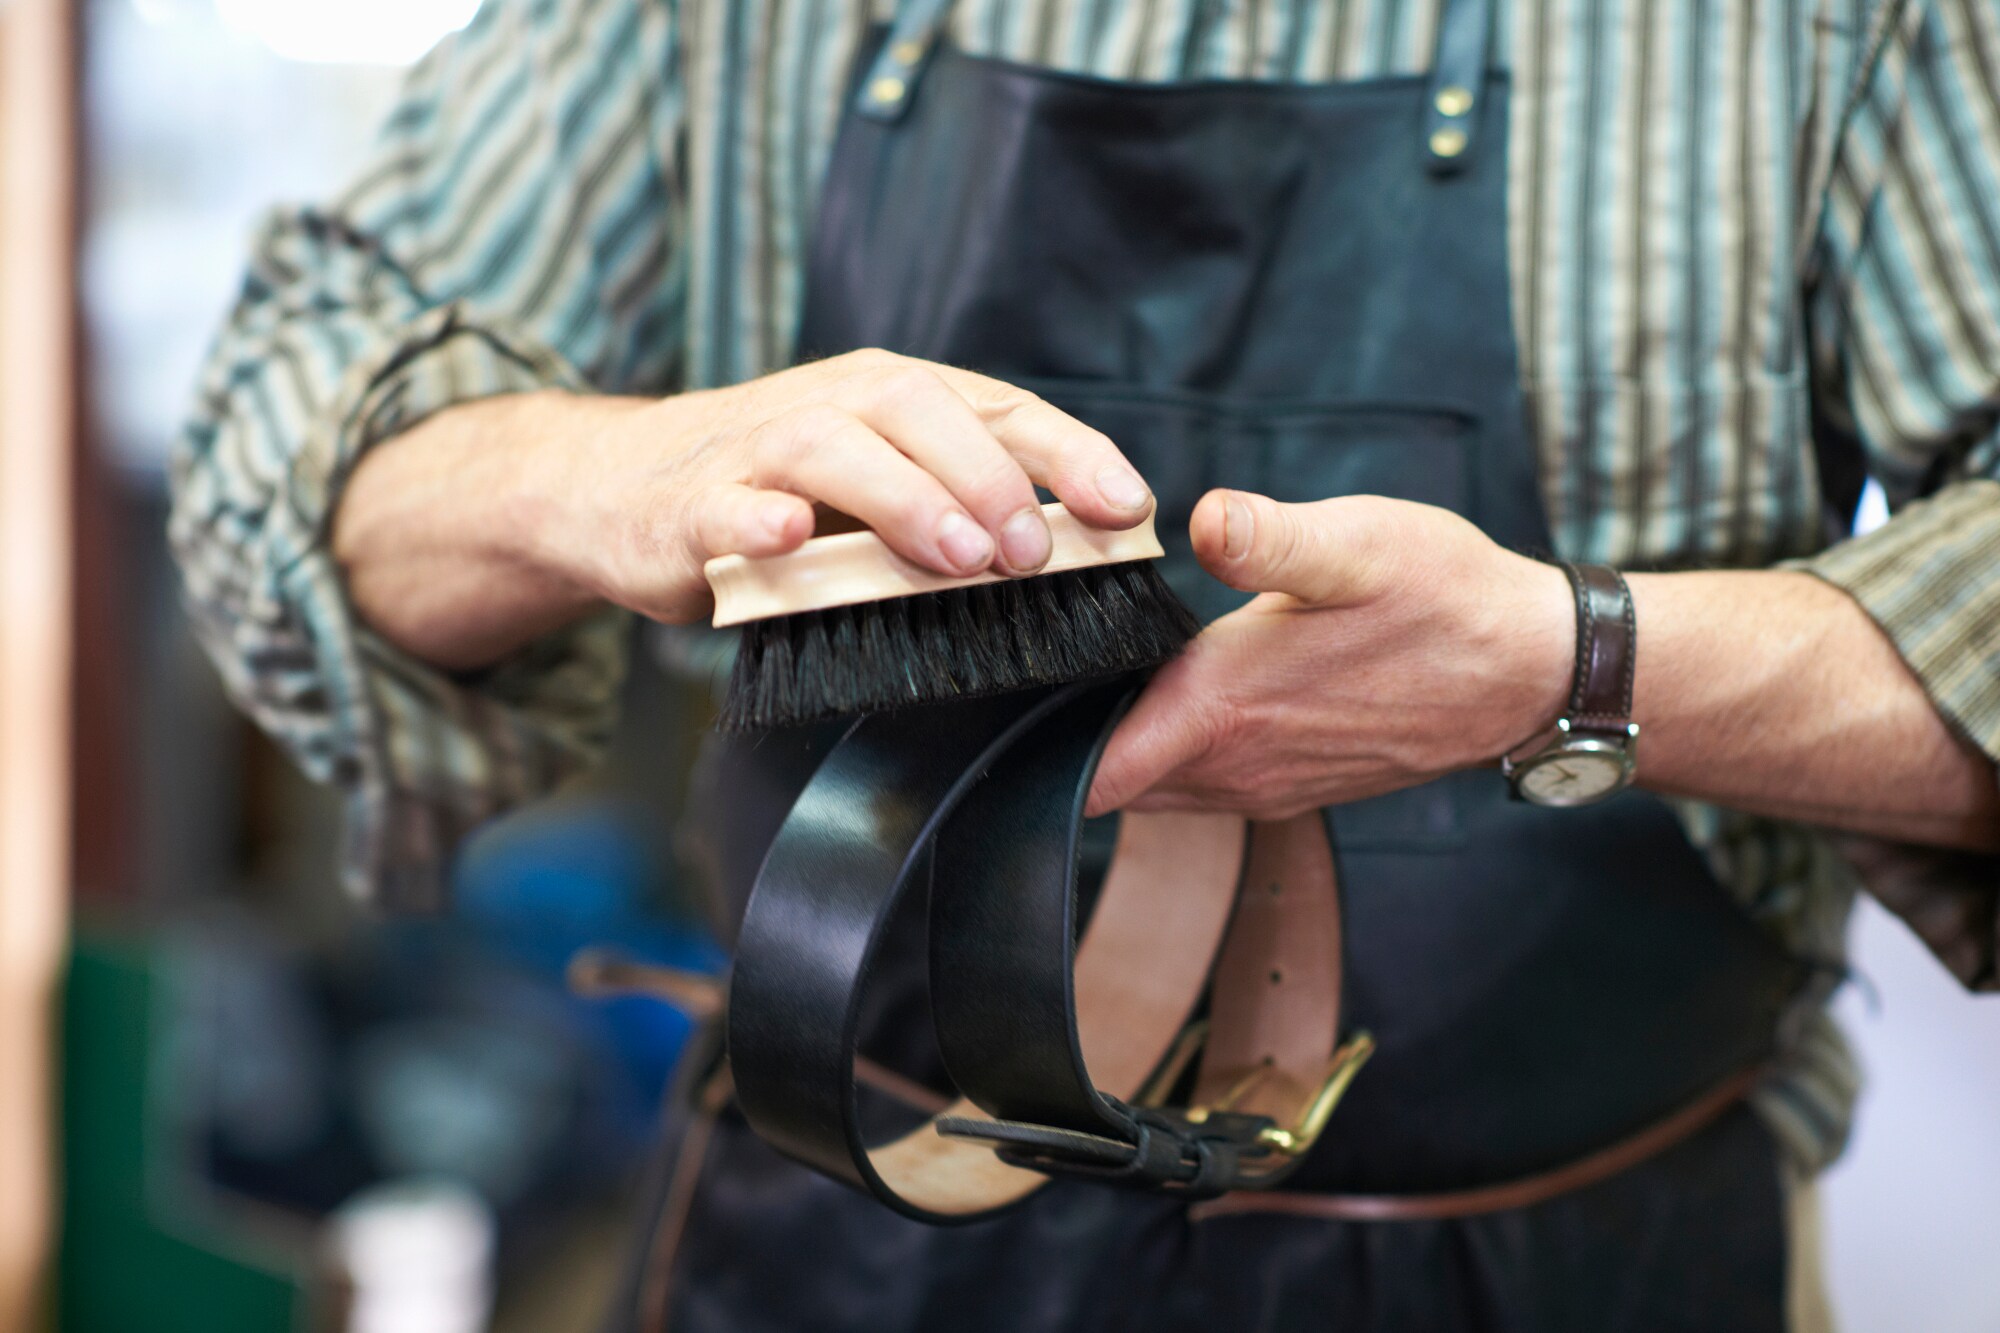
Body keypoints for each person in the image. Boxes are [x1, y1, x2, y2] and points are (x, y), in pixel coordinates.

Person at [170, 0, 2000, 1328]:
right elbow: (284, 427)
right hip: (833, 1249)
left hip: (1593, 1257)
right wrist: (584, 467)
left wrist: (1581, 660)